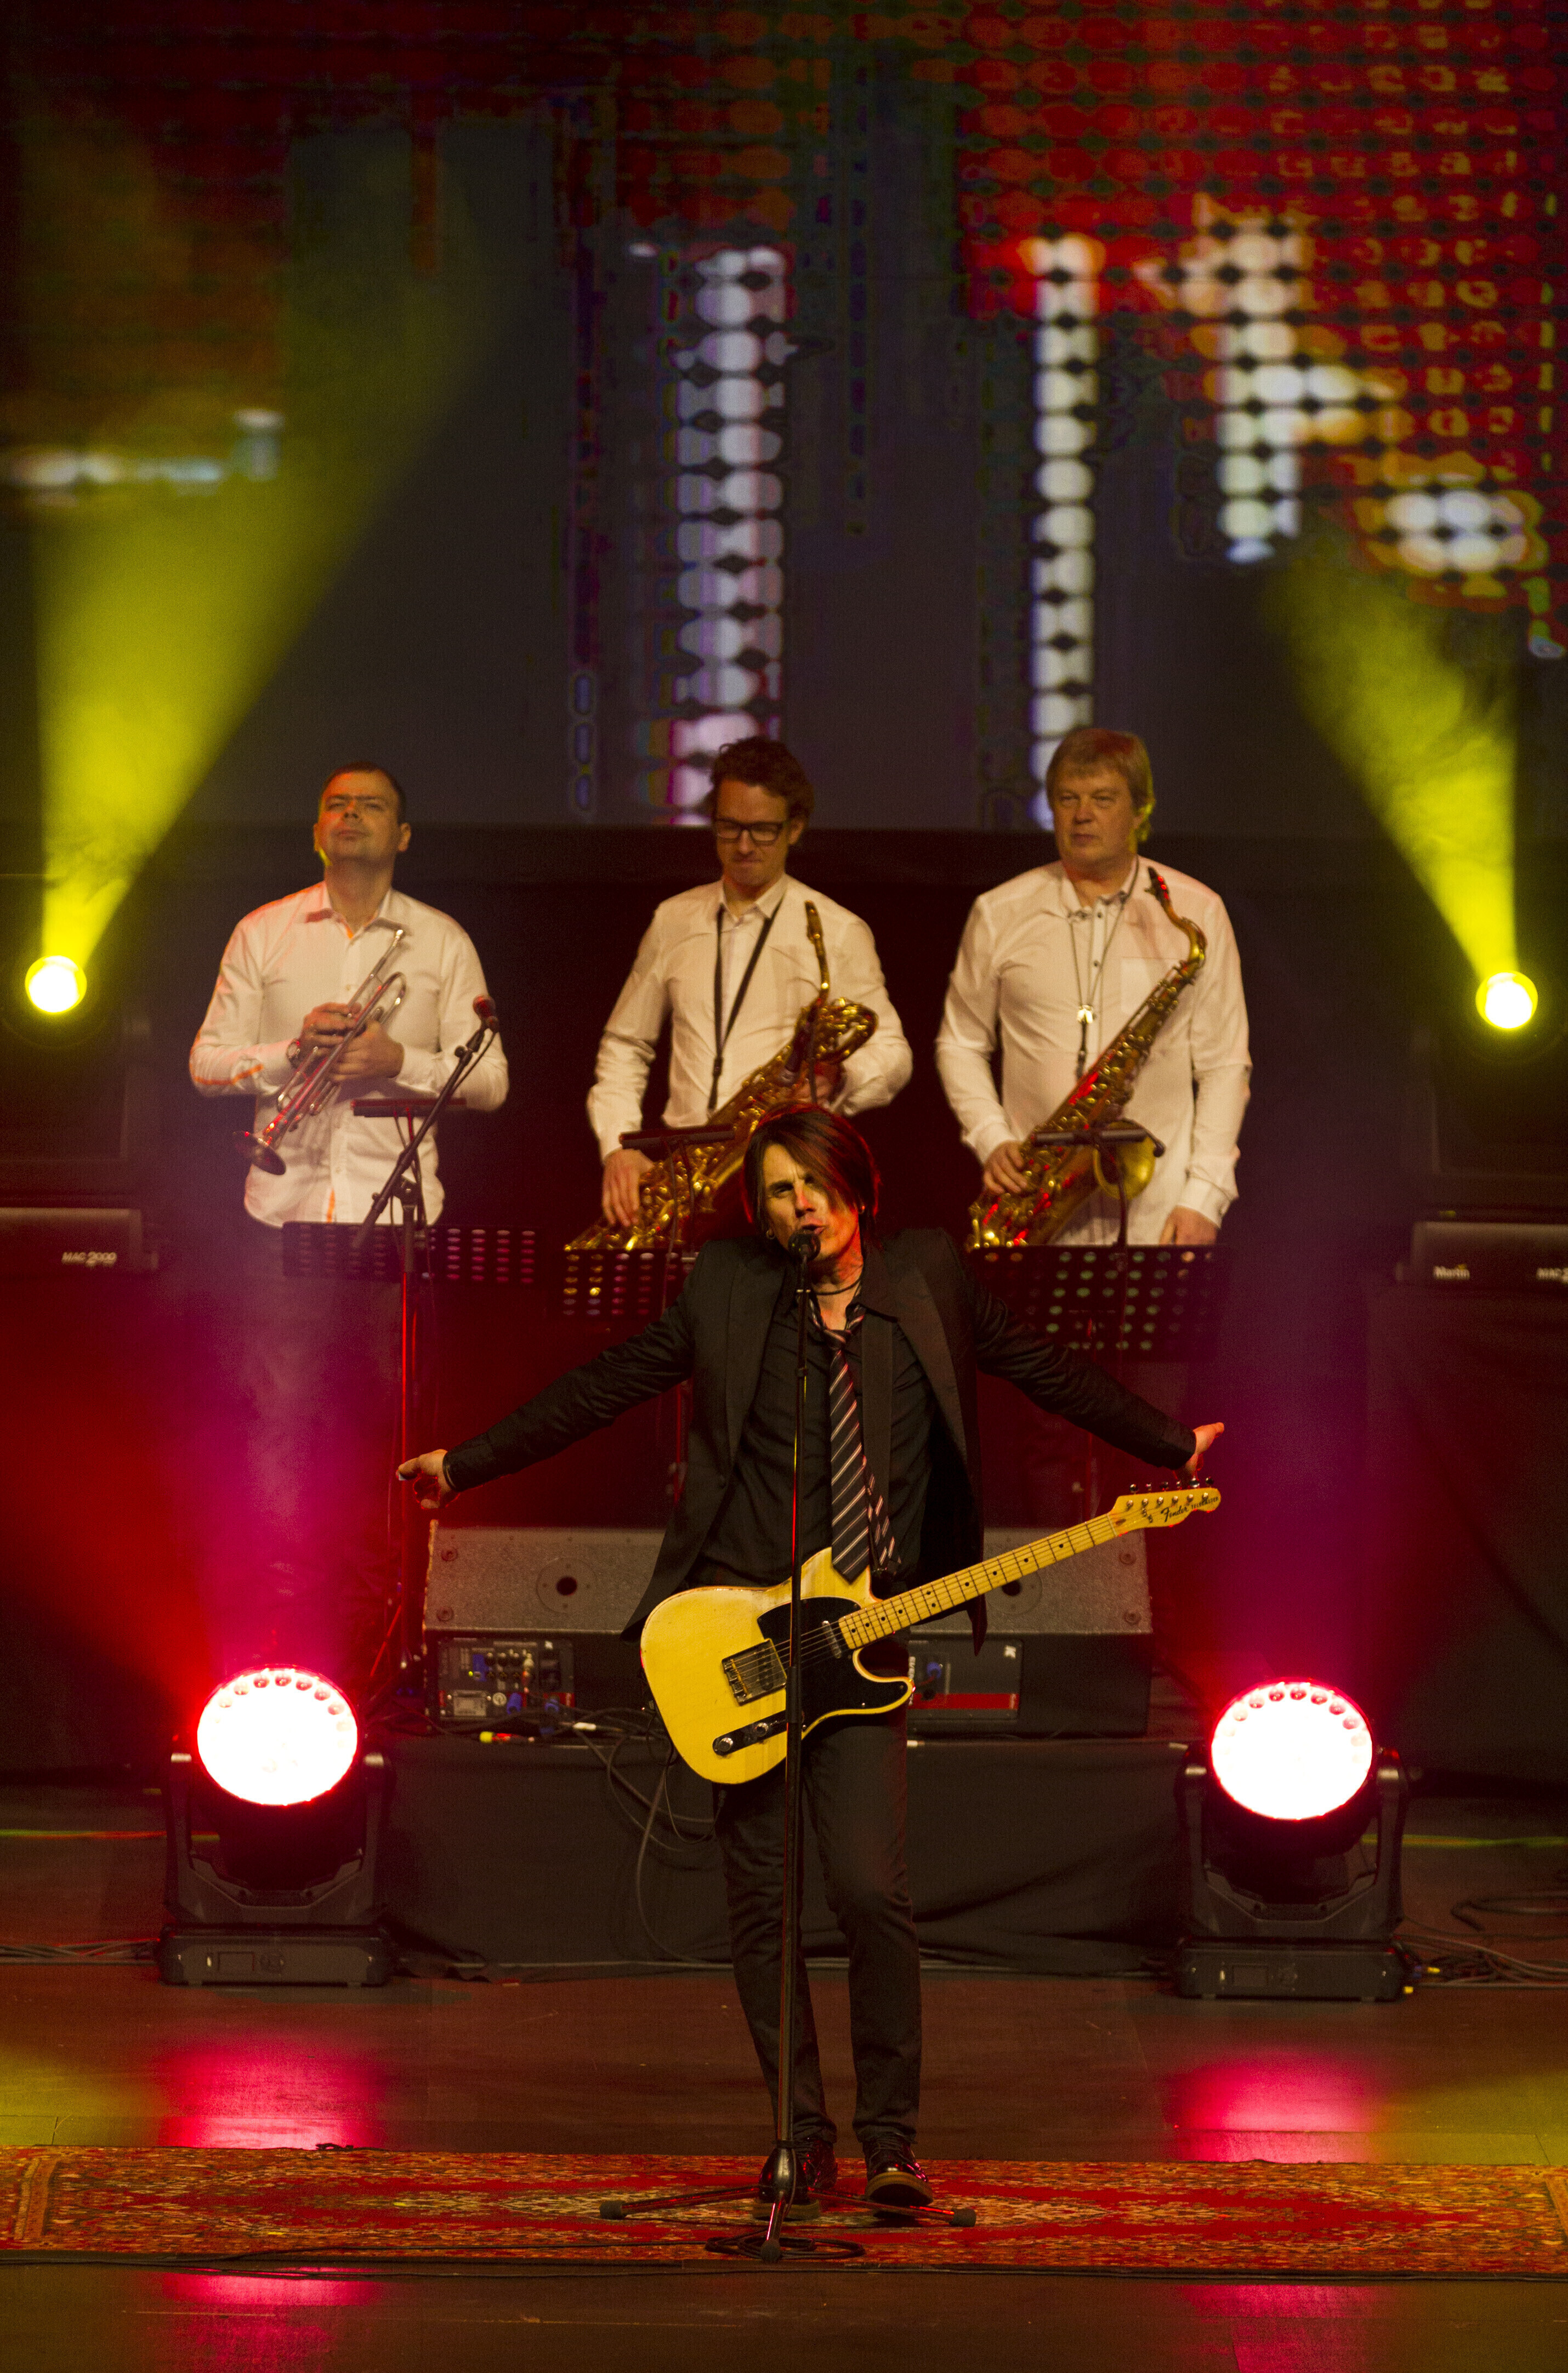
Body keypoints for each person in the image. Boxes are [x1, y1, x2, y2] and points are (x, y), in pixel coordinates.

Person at [400, 1107, 1220, 2216]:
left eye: (816, 1184)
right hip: (740, 1632)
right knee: (762, 1900)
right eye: (781, 1190)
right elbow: (605, 1385)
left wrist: (1166, 1442)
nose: (802, 1206)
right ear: (761, 1208)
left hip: (864, 1638)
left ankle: (891, 2142)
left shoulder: (926, 1275)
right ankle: (798, 2134)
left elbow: (1042, 1366)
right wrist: (468, 1462)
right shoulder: (728, 1286)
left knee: (871, 1886)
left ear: (856, 1188)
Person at [188, 763, 508, 1684]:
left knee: (390, 1434)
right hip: (284, 1218)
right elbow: (206, 1062)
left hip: (392, 1221)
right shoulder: (264, 931)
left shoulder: (441, 940)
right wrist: (293, 1051)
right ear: (316, 829)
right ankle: (278, 1636)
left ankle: (385, 1642)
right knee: (279, 1432)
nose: (352, 814)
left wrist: (394, 1056)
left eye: (373, 805)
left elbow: (491, 1079)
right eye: (337, 803)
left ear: (403, 835)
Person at [935, 726, 1249, 1247]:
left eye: (1103, 799)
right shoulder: (999, 912)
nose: (1082, 815)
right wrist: (991, 1137)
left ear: (1142, 809)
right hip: (1035, 1208)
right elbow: (960, 1043)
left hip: (1160, 1214)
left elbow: (1223, 1065)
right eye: (1068, 799)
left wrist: (1204, 1197)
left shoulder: (1197, 911)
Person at [590, 736, 911, 1229]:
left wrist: (841, 1079)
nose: (743, 847)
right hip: (683, 1179)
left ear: (795, 828)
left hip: (788, 1177)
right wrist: (618, 1146)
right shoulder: (673, 920)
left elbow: (893, 1053)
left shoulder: (838, 930)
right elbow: (625, 1045)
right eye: (730, 828)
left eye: (762, 830)